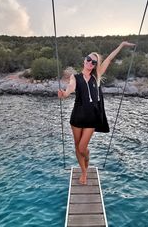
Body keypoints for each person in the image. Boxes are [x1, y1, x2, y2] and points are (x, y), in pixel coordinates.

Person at [58, 41, 135, 185]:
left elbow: (109, 59)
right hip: (77, 116)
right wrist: (64, 94)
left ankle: (87, 156)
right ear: (84, 60)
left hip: (92, 117)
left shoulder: (96, 76)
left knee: (82, 148)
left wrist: (122, 45)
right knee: (77, 146)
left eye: (93, 62)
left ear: (95, 65)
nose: (90, 63)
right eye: (88, 59)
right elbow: (70, 88)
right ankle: (84, 172)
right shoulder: (75, 77)